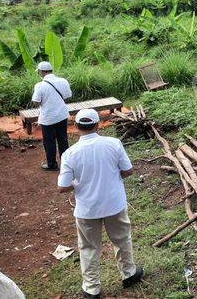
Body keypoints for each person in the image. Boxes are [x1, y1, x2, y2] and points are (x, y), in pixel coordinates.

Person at [57, 109, 143, 298]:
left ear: (76, 127)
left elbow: (62, 187)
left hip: (87, 209)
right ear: (98, 125)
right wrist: (112, 177)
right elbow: (128, 171)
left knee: (88, 247)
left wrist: (80, 183)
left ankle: (91, 288)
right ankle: (128, 274)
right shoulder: (113, 144)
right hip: (114, 204)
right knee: (121, 239)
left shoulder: (70, 154)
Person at [32, 61, 72, 171]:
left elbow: (36, 102)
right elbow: (68, 96)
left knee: (49, 142)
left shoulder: (39, 86)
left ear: (41, 72)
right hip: (62, 115)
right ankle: (66, 163)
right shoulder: (63, 81)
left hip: (48, 118)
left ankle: (52, 164)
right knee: (63, 139)